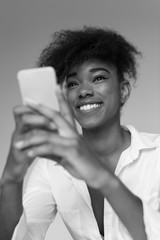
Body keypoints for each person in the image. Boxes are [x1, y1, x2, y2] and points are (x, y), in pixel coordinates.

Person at [0, 26, 160, 240]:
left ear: (123, 90)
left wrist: (102, 178)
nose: (84, 91)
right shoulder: (50, 166)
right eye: (73, 83)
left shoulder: (156, 156)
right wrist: (11, 180)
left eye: (98, 78)